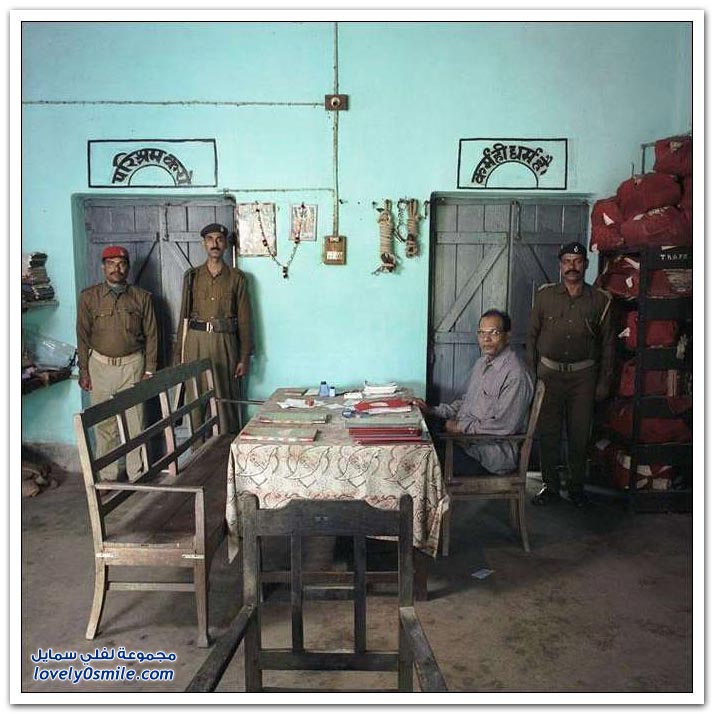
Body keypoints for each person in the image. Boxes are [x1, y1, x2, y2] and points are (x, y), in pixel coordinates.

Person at [526, 241, 616, 508]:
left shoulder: (600, 300)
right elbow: (531, 337)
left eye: (577, 261)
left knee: (579, 434)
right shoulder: (544, 296)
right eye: (567, 261)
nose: (572, 267)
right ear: (560, 265)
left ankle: (576, 488)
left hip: (583, 378)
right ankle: (550, 487)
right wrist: (532, 376)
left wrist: (604, 382)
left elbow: (609, 345)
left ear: (585, 265)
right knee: (548, 433)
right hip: (548, 376)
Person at [413, 309, 534, 475]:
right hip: (464, 443)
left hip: (488, 455)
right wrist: (432, 410)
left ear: (507, 336)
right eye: (482, 333)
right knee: (418, 439)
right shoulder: (482, 363)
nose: (486, 339)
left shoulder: (516, 374)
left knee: (421, 460)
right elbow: (466, 403)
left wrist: (459, 427)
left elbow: (504, 426)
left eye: (494, 333)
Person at [76, 245, 158, 481]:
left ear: (128, 267)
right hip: (99, 366)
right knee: (104, 424)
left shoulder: (142, 297)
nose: (116, 269)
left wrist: (150, 369)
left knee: (135, 423)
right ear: (103, 267)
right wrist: (84, 370)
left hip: (132, 366)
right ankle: (108, 476)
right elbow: (82, 336)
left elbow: (152, 335)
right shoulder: (89, 297)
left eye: (121, 264)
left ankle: (137, 473)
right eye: (111, 264)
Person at [174, 223, 253, 433]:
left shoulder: (236, 278)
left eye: (219, 239)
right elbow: (183, 317)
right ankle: (198, 450)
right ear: (204, 244)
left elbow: (245, 320)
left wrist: (244, 357)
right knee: (196, 400)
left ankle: (225, 448)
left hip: (224, 342)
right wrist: (179, 356)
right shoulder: (192, 276)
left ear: (225, 244)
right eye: (210, 239)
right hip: (195, 342)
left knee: (225, 400)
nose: (214, 243)